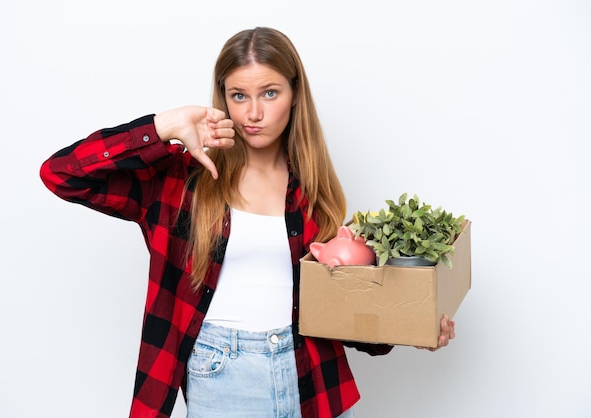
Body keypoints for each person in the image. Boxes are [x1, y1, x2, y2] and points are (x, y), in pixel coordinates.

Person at [40, 27, 455, 418]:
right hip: (221, 375)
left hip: (311, 379)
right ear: (222, 97)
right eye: (239, 96)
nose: (253, 113)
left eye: (270, 93)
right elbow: (62, 174)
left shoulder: (313, 190)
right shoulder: (181, 180)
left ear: (294, 96)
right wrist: (162, 126)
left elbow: (332, 307)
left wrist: (412, 325)